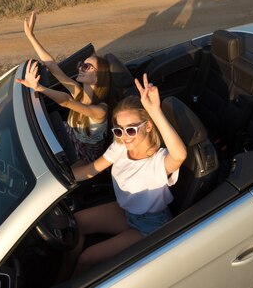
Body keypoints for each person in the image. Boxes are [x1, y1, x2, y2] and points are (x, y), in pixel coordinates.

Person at [63, 74, 187, 277]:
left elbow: (180, 154)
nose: (124, 136)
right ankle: (61, 279)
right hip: (127, 211)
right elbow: (91, 169)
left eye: (131, 130)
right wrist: (57, 177)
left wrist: (154, 111)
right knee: (75, 223)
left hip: (150, 225)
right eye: (119, 130)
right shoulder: (121, 146)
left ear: (148, 126)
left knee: (88, 258)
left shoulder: (158, 161)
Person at [16, 10, 113, 163]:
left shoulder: (100, 110)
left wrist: (40, 88)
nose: (80, 67)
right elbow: (53, 66)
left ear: (99, 77)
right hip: (69, 137)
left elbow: (67, 101)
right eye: (82, 64)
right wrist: (31, 36)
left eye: (87, 67)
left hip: (85, 156)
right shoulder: (79, 93)